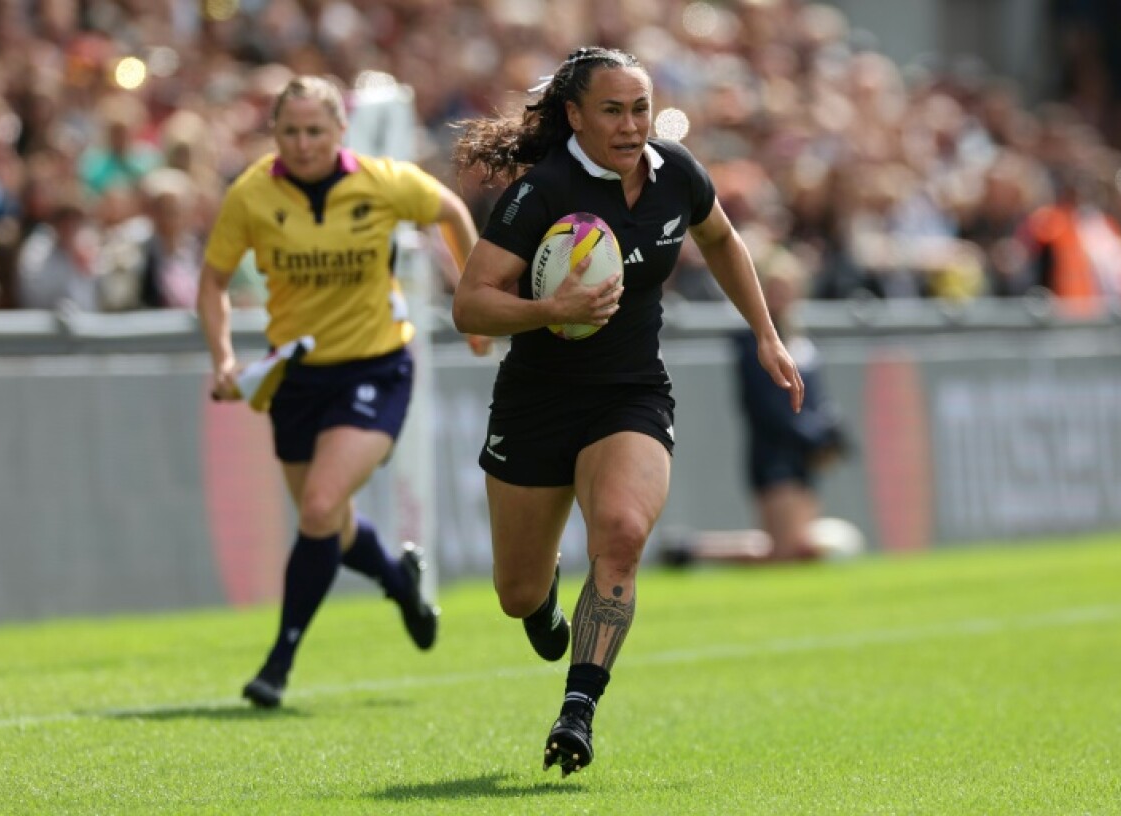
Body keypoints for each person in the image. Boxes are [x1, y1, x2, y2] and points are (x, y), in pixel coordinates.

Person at [450, 46, 804, 775]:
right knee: (516, 595)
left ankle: (578, 709)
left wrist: (766, 335)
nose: (630, 124)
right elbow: (470, 302)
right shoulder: (541, 192)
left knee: (620, 531)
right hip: (538, 401)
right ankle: (544, 601)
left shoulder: (678, 174)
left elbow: (724, 240)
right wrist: (553, 308)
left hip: (630, 393)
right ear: (574, 116)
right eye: (611, 110)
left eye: (639, 107)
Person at [198, 75, 486, 709]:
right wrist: (223, 356)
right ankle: (399, 580)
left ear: (339, 133)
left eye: (315, 131)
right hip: (297, 377)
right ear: (274, 134)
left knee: (322, 505)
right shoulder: (252, 194)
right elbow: (213, 282)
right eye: (290, 131)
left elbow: (453, 213)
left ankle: (279, 661)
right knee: (326, 518)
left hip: (374, 368)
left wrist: (473, 305)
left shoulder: (381, 182)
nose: (302, 144)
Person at [660, 245, 854, 565]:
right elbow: (767, 408)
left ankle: (689, 549)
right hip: (775, 453)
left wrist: (830, 433)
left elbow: (817, 400)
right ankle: (692, 551)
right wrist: (813, 437)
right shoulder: (752, 342)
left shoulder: (802, 341)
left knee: (793, 545)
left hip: (803, 456)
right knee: (783, 550)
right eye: (773, 288)